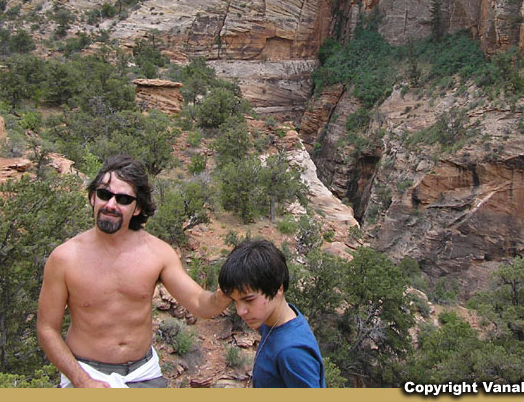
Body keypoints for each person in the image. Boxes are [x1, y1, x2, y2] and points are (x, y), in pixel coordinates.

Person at [37, 154, 230, 388]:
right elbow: (47, 329)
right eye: (104, 194)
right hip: (85, 373)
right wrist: (82, 380)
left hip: (144, 374)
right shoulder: (64, 258)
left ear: (137, 208)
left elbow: (201, 304)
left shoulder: (158, 253)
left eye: (123, 199)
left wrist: (226, 294)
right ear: (92, 197)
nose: (110, 204)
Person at [218, 239, 326, 388]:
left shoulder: (292, 352)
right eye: (234, 301)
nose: (240, 311)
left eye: (248, 299)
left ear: (278, 289)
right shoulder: (274, 319)